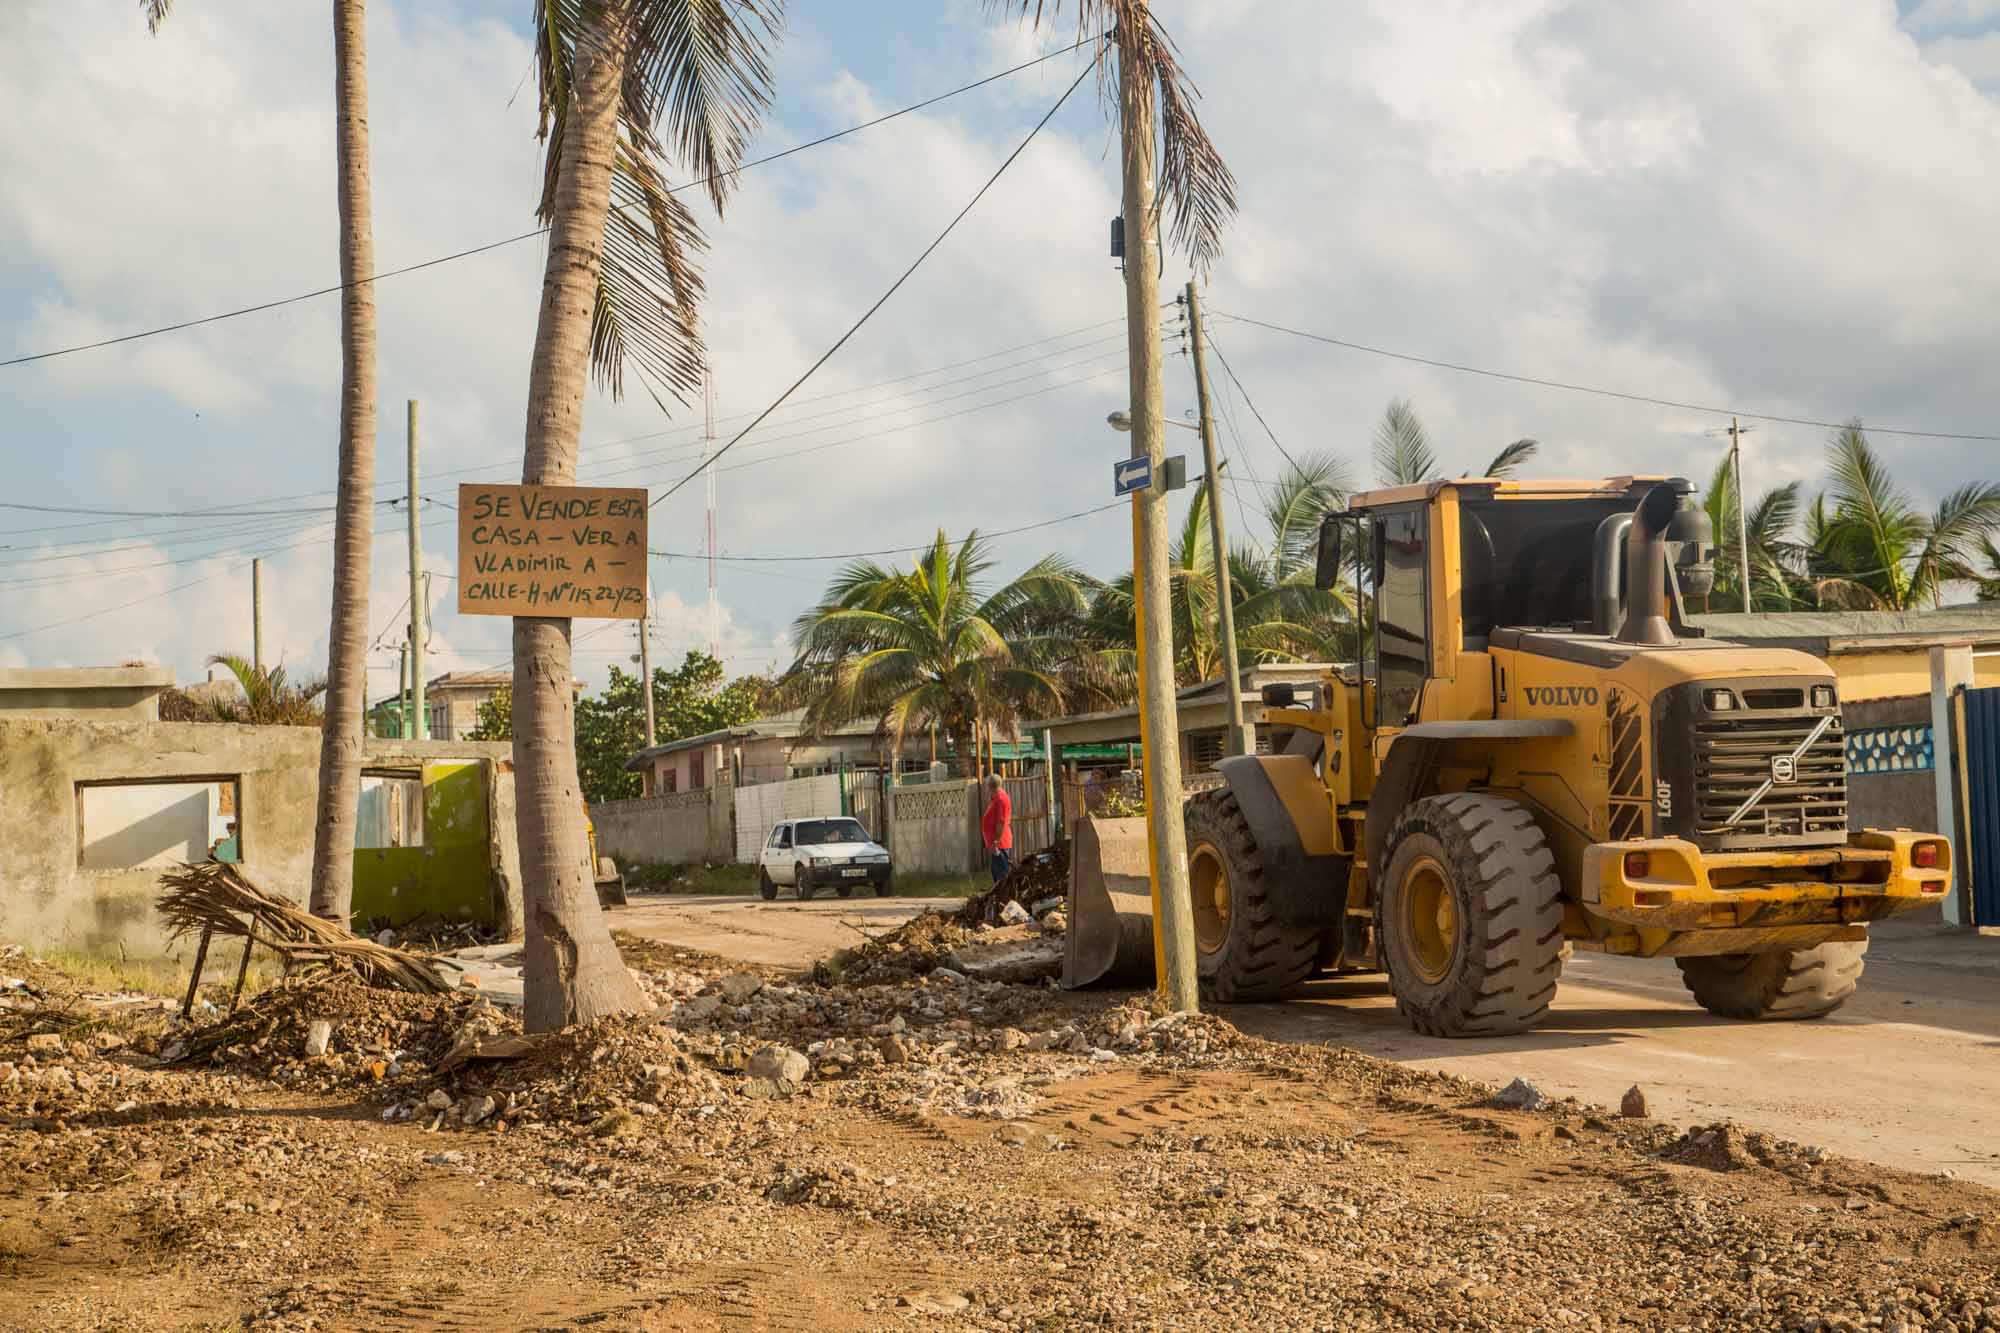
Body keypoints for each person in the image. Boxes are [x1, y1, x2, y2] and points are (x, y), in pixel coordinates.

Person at [980, 774, 1013, 884]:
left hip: (1000, 843)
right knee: (996, 873)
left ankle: (1005, 899)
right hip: (996, 843)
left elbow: (1001, 822)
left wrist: (996, 841)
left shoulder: (1000, 799)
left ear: (990, 786)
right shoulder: (995, 798)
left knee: (1002, 875)